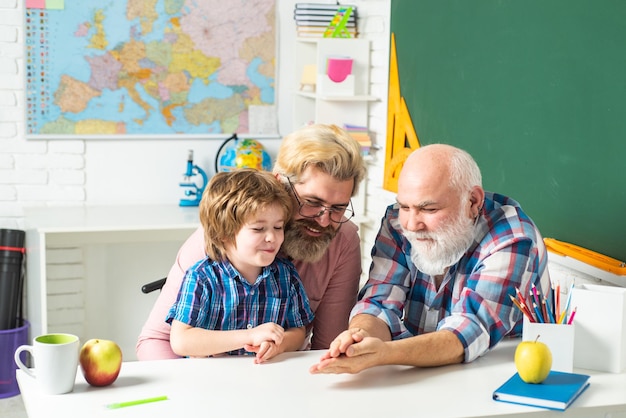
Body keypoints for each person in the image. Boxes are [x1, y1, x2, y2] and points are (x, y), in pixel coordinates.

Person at [310, 143, 551, 374]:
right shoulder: (398, 220)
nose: (412, 225)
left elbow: (467, 332)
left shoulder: (513, 238)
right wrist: (359, 336)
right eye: (405, 206)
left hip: (493, 376)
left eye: (429, 209)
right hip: (420, 373)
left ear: (473, 202)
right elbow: (380, 301)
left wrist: (385, 353)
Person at [137, 124, 366, 360]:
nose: (325, 220)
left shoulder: (344, 241)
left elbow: (326, 349)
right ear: (281, 184)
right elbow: (157, 340)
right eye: (312, 202)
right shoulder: (221, 235)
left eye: (338, 208)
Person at [166, 169, 314, 363]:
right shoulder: (202, 277)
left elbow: (298, 331)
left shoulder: (286, 275)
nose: (272, 237)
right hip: (211, 381)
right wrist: (250, 335)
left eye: (278, 227)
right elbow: (181, 340)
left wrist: (279, 343)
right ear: (223, 234)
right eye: (258, 229)